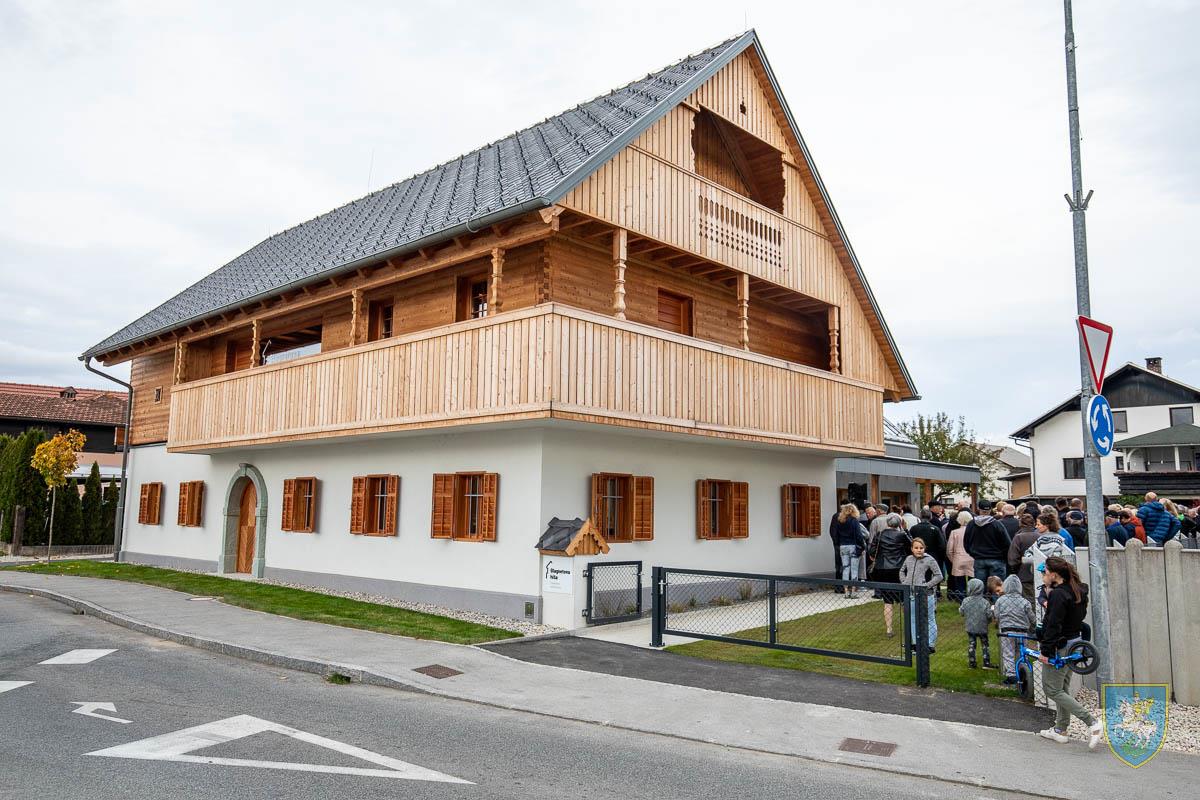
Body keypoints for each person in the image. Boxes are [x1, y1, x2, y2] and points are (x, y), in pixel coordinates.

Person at [1037, 557, 1103, 749]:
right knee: (1062, 687)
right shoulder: (1078, 590)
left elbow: (1053, 624)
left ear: (1054, 575)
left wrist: (1046, 651)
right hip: (1074, 644)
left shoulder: (1058, 595)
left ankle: (1092, 722)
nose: (1043, 576)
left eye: (1045, 572)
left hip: (1060, 645)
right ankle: (1060, 730)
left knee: (1052, 689)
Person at [868, 513, 911, 637]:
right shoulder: (902, 535)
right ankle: (908, 626)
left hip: (882, 569)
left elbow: (872, 551)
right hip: (899, 569)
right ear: (899, 524)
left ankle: (889, 629)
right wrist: (906, 530)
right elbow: (911, 547)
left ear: (887, 523)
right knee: (904, 598)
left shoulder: (879, 534)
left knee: (887, 601)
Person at [899, 536, 942, 652]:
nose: (919, 550)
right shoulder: (908, 559)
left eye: (921, 548)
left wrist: (926, 586)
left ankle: (930, 645)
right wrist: (904, 582)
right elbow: (902, 571)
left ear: (924, 548)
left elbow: (939, 576)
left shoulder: (930, 560)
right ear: (912, 549)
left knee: (929, 618)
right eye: (916, 548)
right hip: (911, 594)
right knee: (912, 618)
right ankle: (915, 643)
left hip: (926, 595)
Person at [995, 574, 1036, 684]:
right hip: (1023, 631)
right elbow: (1032, 618)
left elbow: (997, 615)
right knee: (1021, 652)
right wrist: (1034, 625)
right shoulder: (1025, 601)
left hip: (1007, 631)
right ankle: (1022, 671)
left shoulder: (1001, 600)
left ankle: (1011, 675)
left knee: (1008, 653)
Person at [963, 499, 1012, 583]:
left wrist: (973, 553)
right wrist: (1003, 556)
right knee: (996, 587)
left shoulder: (971, 524)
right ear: (990, 510)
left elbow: (966, 542)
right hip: (997, 559)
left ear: (979, 509)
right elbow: (1007, 543)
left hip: (979, 559)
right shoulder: (997, 524)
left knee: (980, 587)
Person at [831, 503, 867, 597]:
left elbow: (836, 534)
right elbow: (859, 535)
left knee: (845, 569)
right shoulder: (854, 521)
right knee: (854, 569)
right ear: (854, 511)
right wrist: (862, 545)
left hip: (843, 546)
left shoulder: (840, 521)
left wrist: (838, 544)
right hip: (853, 546)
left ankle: (846, 592)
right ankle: (853, 592)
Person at [908, 509, 947, 597]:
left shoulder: (914, 529)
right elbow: (942, 545)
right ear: (930, 517)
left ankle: (918, 592)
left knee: (918, 574)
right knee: (933, 575)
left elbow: (909, 542)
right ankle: (935, 593)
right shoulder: (935, 529)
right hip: (933, 555)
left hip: (917, 555)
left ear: (920, 517)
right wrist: (941, 557)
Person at [958, 578, 994, 668]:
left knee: (972, 644)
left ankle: (972, 662)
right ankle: (986, 662)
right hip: (982, 627)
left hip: (970, 626)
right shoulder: (985, 602)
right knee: (985, 644)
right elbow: (989, 615)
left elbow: (961, 612)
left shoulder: (966, 600)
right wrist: (989, 620)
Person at [945, 510, 974, 601]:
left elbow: (949, 550)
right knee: (973, 581)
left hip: (958, 559)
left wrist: (953, 560)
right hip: (972, 558)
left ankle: (961, 600)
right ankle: (972, 599)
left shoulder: (954, 532)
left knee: (960, 582)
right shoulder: (973, 531)